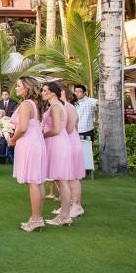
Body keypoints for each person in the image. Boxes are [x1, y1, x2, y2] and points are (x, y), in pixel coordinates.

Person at [8, 76, 47, 232]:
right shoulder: (33, 103)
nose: (16, 88)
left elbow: (23, 128)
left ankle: (37, 219)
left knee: (33, 182)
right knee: (37, 181)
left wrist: (12, 140)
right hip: (35, 142)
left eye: (19, 86)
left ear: (27, 88)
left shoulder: (25, 104)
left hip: (29, 143)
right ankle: (36, 217)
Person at [41, 81, 74, 226]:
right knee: (60, 181)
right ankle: (63, 215)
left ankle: (65, 216)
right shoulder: (58, 106)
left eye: (44, 90)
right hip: (59, 142)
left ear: (52, 92)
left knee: (62, 181)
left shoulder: (55, 107)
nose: (42, 93)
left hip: (57, 143)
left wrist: (41, 135)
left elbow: (55, 129)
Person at [56, 86, 86, 219]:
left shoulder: (68, 107)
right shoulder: (59, 106)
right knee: (64, 176)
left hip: (70, 142)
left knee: (72, 176)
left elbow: (70, 127)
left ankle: (77, 205)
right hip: (64, 142)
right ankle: (66, 205)